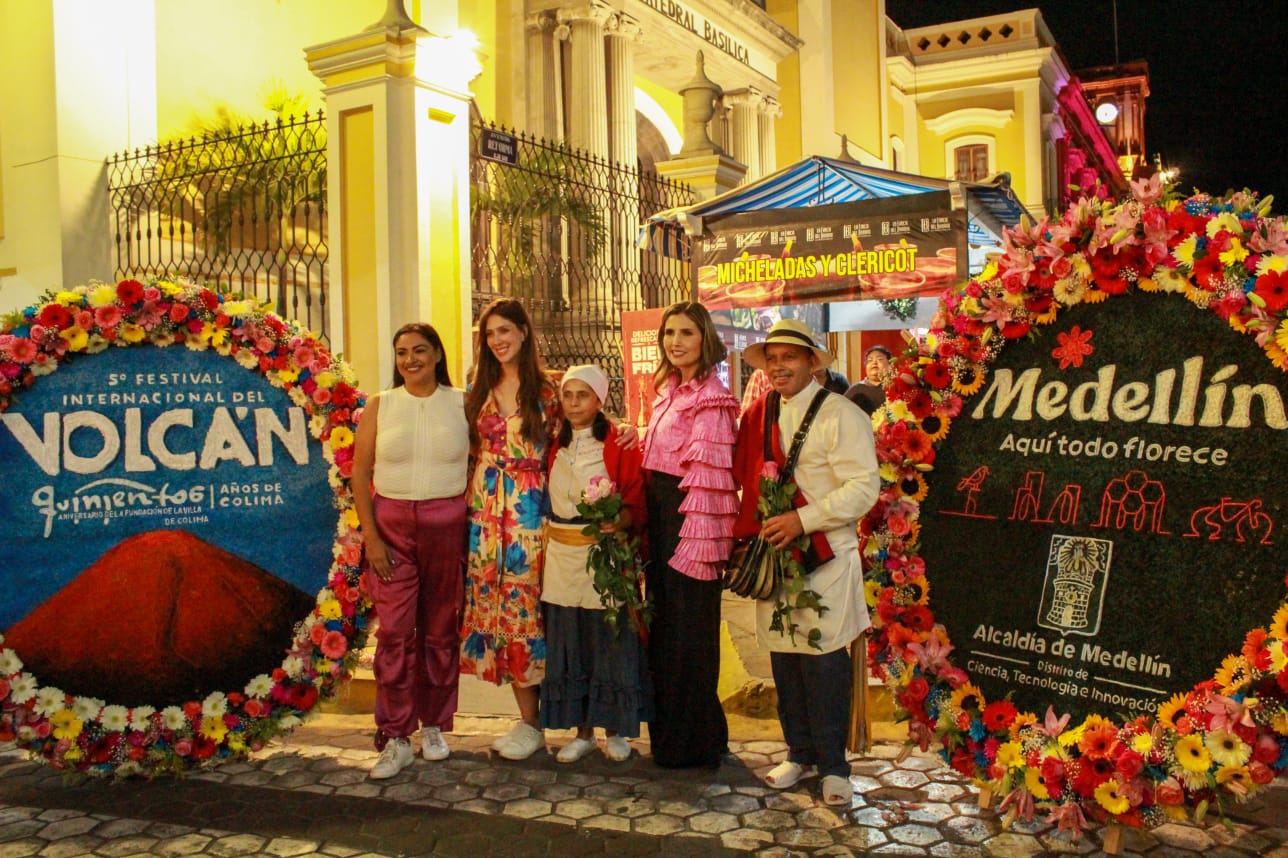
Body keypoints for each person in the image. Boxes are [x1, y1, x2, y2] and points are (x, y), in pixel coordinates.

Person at [733, 319, 881, 806]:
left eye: (789, 357)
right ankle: (798, 753)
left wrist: (804, 519)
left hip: (826, 556)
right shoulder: (759, 414)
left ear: (812, 362)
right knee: (785, 659)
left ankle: (834, 766)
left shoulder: (842, 415)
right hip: (778, 555)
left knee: (823, 663)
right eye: (772, 359)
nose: (779, 367)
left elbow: (863, 488)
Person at [352, 322, 470, 780]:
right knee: (395, 634)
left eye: (419, 350)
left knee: (440, 631)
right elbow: (360, 473)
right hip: (392, 532)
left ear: (437, 354)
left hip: (447, 529)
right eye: (401, 352)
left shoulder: (463, 403)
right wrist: (372, 537)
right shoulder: (380, 405)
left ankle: (434, 726)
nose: (410, 360)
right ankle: (396, 735)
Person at [460, 298, 562, 761]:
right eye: (490, 334)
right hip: (484, 513)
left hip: (530, 512)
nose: (497, 340)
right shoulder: (476, 387)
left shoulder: (549, 389)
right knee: (498, 612)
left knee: (530, 611)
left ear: (523, 331)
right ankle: (527, 721)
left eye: (505, 330)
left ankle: (544, 720)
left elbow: (576, 436)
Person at [641, 301, 739, 769]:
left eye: (686, 333)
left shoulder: (711, 396)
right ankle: (674, 736)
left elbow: (710, 478)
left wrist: (696, 540)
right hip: (662, 517)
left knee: (689, 630)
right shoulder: (667, 391)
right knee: (665, 627)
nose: (675, 342)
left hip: (691, 520)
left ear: (705, 339)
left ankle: (693, 741)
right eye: (669, 333)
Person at [540, 364, 653, 763]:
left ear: (600, 400)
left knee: (609, 639)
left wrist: (620, 519)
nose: (574, 404)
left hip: (603, 558)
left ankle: (615, 730)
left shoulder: (619, 444)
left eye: (583, 395)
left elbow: (636, 497)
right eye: (568, 396)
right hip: (561, 558)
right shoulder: (554, 443)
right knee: (571, 642)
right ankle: (582, 731)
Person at [844, 344, 892, 414]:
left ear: (890, 364)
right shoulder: (855, 390)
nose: (874, 362)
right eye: (870, 360)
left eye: (880, 359)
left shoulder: (895, 387)